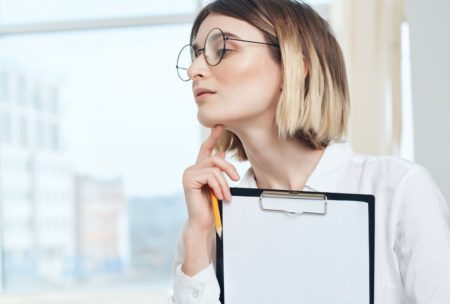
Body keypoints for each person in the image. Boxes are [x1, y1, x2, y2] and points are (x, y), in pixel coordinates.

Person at [170, 0, 450, 303]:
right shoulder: (208, 225)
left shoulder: (397, 190)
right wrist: (198, 239)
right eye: (197, 53)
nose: (195, 69)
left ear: (296, 65)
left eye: (221, 48)